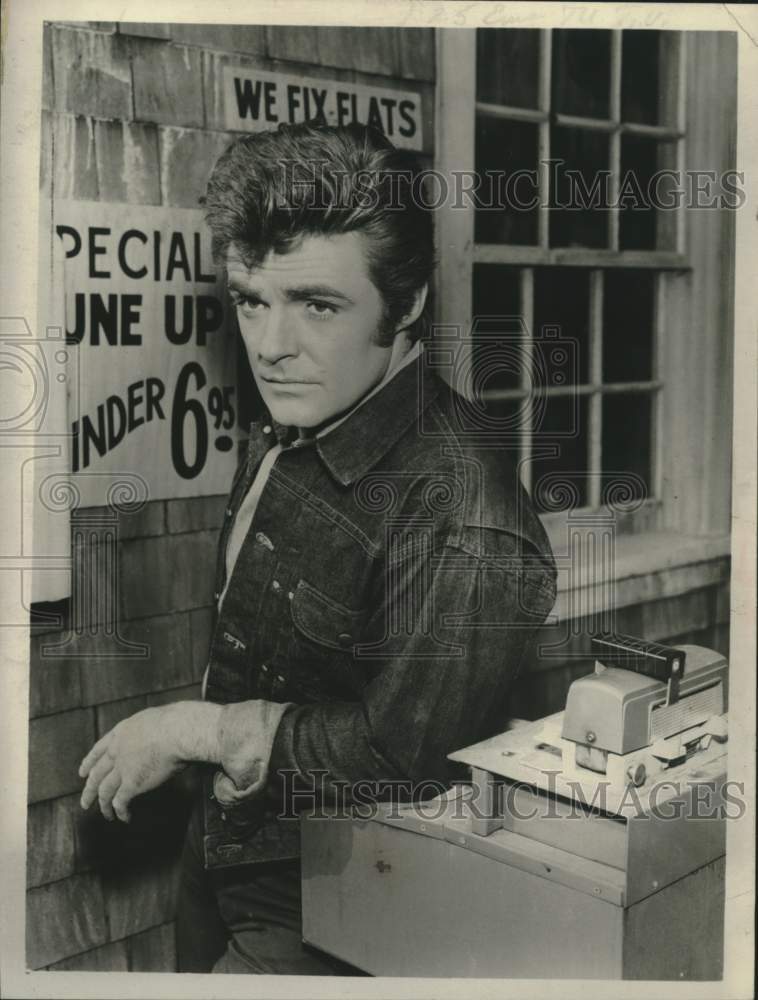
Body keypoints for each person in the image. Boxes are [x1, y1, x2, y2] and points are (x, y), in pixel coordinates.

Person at [79, 122, 557, 975]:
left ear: (406, 305)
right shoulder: (297, 417)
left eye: (319, 306)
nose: (269, 345)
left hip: (343, 900)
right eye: (253, 301)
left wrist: (189, 729)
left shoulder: (466, 516)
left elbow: (401, 759)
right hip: (222, 848)